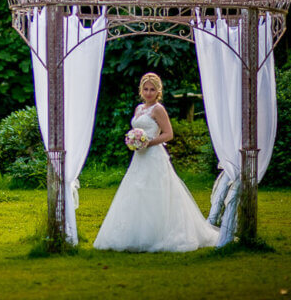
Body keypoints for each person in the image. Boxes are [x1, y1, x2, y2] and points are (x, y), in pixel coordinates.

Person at [93, 72, 219, 252]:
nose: (149, 92)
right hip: (139, 157)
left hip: (154, 155)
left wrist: (147, 142)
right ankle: (133, 234)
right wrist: (133, 141)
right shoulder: (139, 109)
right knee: (136, 191)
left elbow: (168, 134)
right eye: (146, 89)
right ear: (141, 90)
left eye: (152, 89)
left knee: (155, 192)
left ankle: (159, 234)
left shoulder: (158, 109)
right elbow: (137, 128)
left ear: (158, 91)